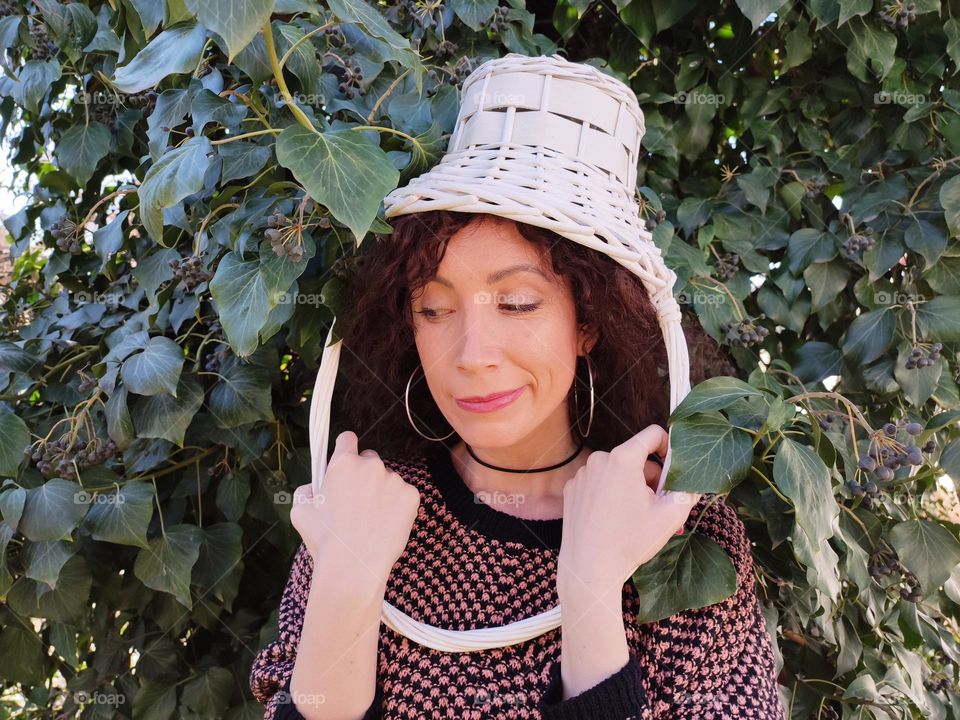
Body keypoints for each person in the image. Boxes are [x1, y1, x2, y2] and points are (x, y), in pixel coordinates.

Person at [250, 53, 786, 719]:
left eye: (518, 303)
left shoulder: (681, 536)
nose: (472, 356)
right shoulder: (360, 508)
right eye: (435, 309)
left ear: (587, 321)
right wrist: (347, 578)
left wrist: (589, 591)